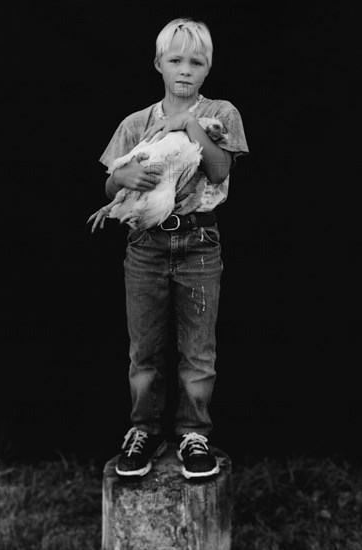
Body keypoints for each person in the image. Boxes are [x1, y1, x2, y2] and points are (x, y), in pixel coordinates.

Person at [98, 17, 249, 479]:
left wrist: (188, 124)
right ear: (158, 64)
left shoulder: (222, 114)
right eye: (175, 60)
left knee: (197, 350)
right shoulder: (135, 123)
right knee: (144, 350)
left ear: (208, 68)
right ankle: (142, 429)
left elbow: (219, 171)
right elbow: (110, 184)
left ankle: (192, 433)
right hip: (145, 243)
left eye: (195, 61)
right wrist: (119, 180)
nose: (185, 69)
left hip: (198, 241)